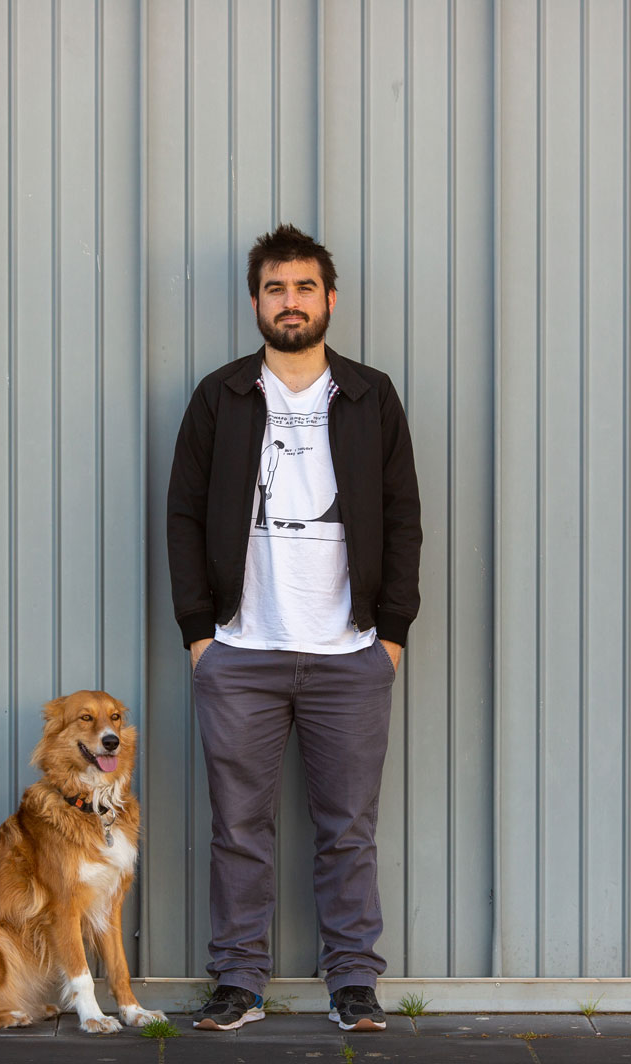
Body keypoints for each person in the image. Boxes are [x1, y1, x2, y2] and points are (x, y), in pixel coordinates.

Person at [165, 224, 422, 1033]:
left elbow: (403, 515)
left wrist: (392, 634)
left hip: (349, 653)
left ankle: (353, 983)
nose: (290, 302)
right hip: (241, 652)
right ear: (255, 302)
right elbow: (183, 514)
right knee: (239, 827)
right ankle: (238, 982)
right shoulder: (223, 396)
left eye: (304, 287)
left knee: (348, 829)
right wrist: (200, 635)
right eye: (275, 288)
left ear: (330, 300)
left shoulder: (371, 395)